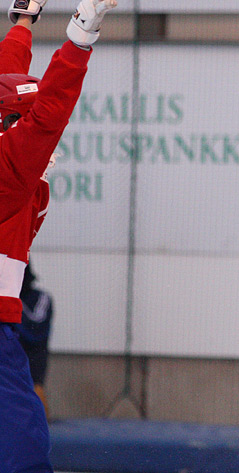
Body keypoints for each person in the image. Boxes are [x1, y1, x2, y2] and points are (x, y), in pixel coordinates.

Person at [0, 0, 118, 471]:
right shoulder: (9, 169)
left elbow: (11, 83)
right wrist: (80, 36)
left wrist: (24, 24)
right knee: (24, 447)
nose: (41, 140)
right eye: (21, 123)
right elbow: (48, 112)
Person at [16, 263, 54, 420]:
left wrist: (14, 305)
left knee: (36, 401)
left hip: (33, 359)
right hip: (10, 356)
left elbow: (36, 326)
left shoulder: (41, 297)